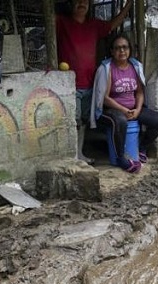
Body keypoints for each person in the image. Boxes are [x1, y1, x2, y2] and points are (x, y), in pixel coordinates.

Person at [57, 0, 132, 164]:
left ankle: (79, 154)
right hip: (69, 85)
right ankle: (71, 156)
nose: (81, 3)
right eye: (77, 1)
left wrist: (129, 4)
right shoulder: (61, 22)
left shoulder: (94, 26)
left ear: (89, 5)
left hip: (90, 84)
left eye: (85, 1)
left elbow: (113, 24)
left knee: (83, 121)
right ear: (71, 4)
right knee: (73, 121)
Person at [91, 34, 158, 173]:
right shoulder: (107, 68)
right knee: (120, 121)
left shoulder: (135, 66)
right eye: (118, 48)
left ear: (129, 49)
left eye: (125, 47)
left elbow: (139, 92)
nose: (122, 51)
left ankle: (142, 147)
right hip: (111, 111)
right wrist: (123, 110)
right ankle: (121, 159)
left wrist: (137, 109)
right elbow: (105, 98)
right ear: (112, 51)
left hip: (132, 109)